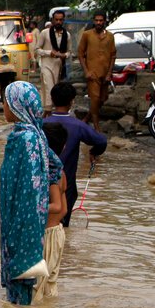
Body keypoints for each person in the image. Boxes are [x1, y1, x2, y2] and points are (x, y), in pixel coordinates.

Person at [0, 81, 62, 306]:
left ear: (17, 105)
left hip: (22, 218)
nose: (3, 106)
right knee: (24, 282)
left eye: (6, 102)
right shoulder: (36, 134)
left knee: (21, 281)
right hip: (25, 217)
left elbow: (29, 186)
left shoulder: (25, 139)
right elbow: (56, 165)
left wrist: (22, 224)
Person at [43, 82, 107, 226]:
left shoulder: (41, 124)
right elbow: (101, 141)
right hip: (66, 185)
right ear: (72, 102)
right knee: (61, 224)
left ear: (52, 100)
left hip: (41, 182)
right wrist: (93, 152)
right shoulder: (78, 125)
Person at [34, 123, 68, 302]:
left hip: (47, 235)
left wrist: (32, 208)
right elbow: (64, 210)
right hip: (57, 232)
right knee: (50, 284)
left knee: (37, 286)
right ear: (63, 147)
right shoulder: (61, 173)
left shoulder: (50, 173)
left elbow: (55, 206)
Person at [77, 12, 117, 130]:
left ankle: (86, 118)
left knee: (102, 99)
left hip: (105, 74)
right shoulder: (87, 35)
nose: (98, 23)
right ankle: (96, 127)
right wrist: (86, 71)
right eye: (96, 20)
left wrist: (109, 73)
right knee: (94, 99)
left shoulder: (110, 36)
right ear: (93, 21)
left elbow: (113, 55)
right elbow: (80, 54)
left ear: (104, 21)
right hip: (92, 74)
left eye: (101, 20)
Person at [34, 10, 71, 112]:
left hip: (58, 66)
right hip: (46, 64)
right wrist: (49, 52)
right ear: (52, 20)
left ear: (63, 20)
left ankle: (50, 111)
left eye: (60, 20)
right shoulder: (45, 33)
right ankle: (48, 111)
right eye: (56, 20)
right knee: (48, 86)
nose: (58, 22)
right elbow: (37, 49)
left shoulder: (66, 35)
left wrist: (64, 55)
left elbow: (69, 52)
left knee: (55, 89)